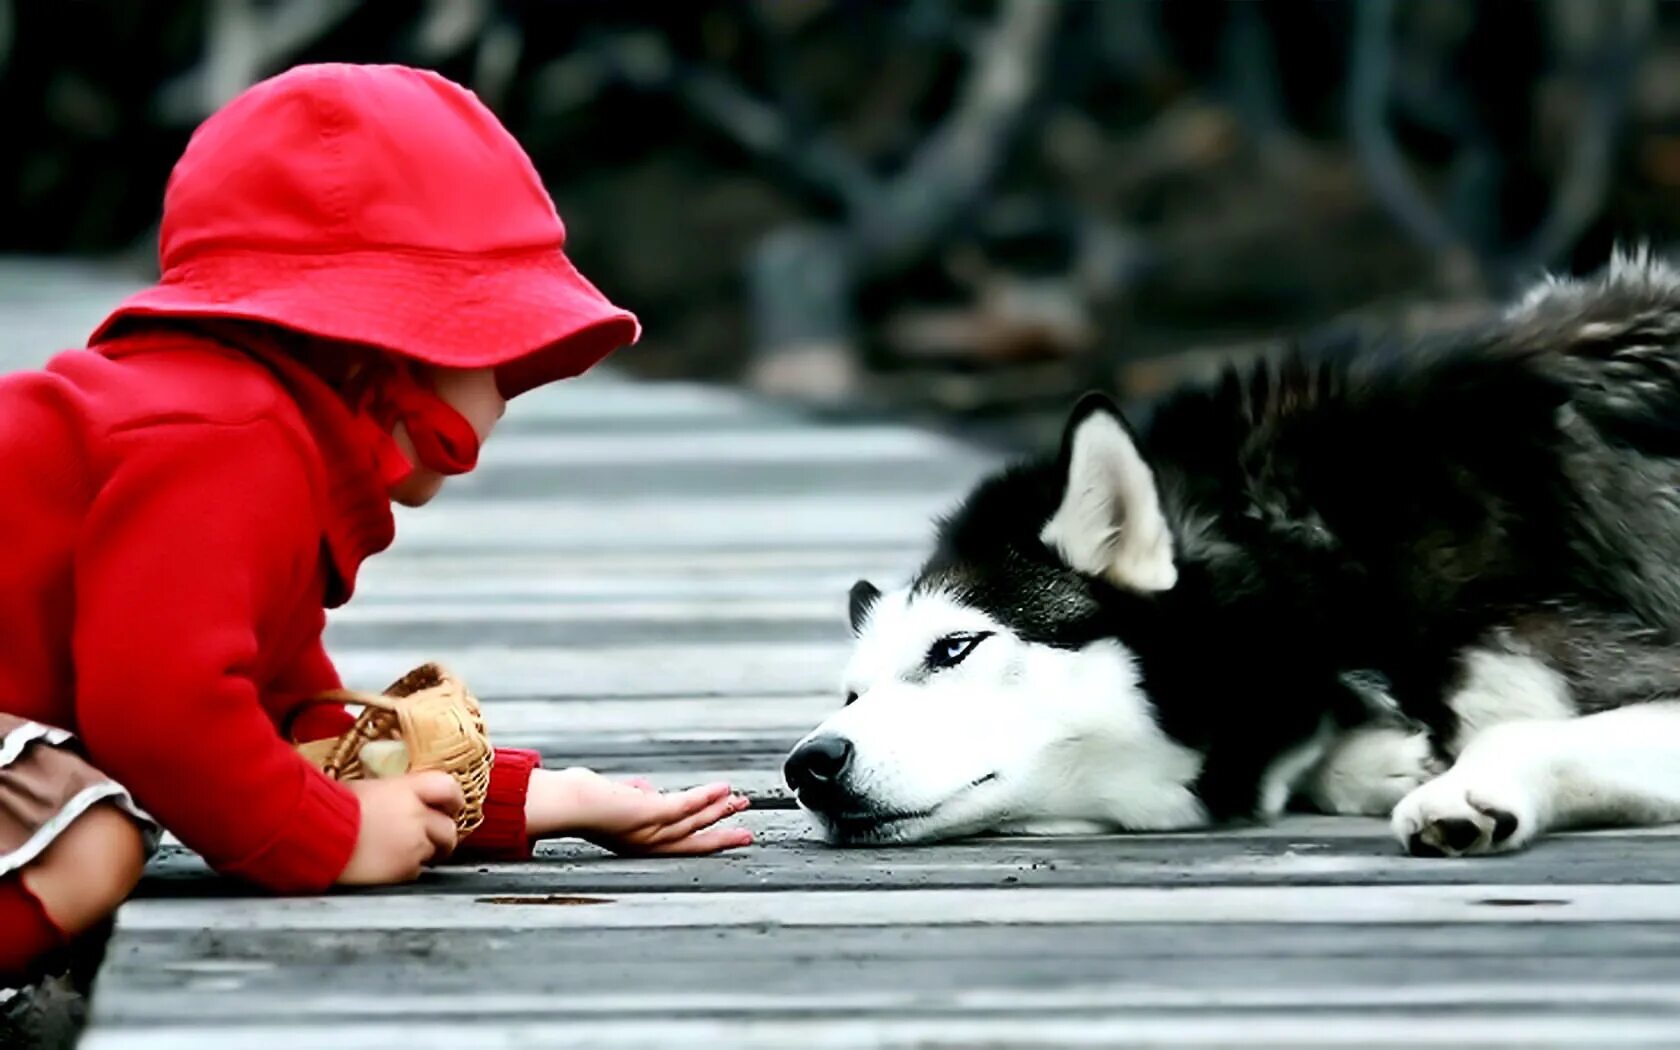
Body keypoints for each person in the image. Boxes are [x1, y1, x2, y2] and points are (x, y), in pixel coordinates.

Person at [0, 62, 753, 989]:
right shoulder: (228, 440)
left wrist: (540, 800)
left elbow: (285, 725)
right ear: (392, 355)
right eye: (506, 358)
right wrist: (331, 839)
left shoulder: (241, 437)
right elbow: (160, 709)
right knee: (90, 843)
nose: (511, 397)